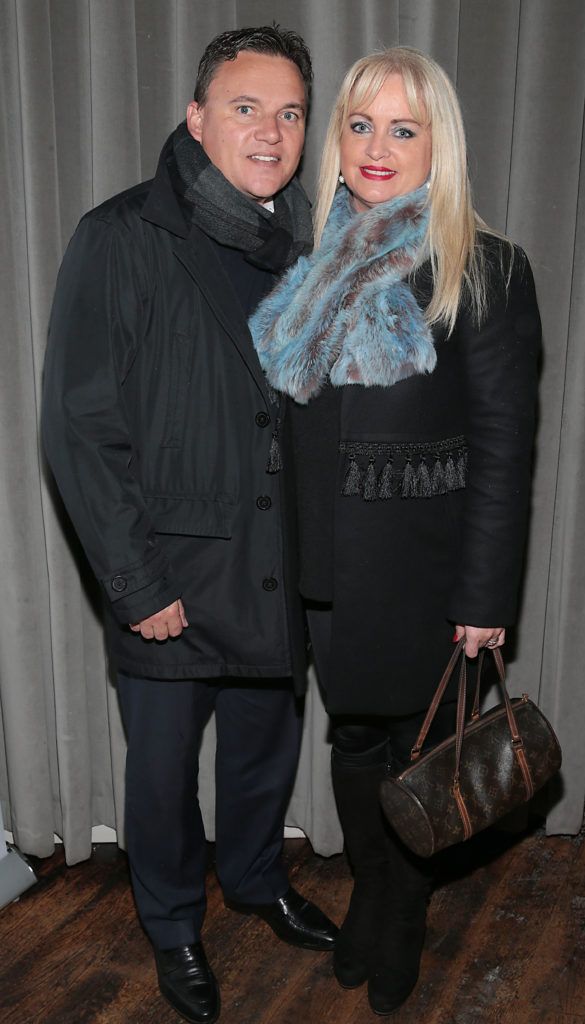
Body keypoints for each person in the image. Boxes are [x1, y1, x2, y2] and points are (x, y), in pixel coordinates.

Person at [42, 26, 337, 1024]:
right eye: (247, 106)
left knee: (264, 752)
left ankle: (255, 881)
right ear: (198, 117)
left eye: (290, 111)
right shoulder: (121, 234)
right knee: (162, 779)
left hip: (275, 565)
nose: (270, 129)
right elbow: (80, 427)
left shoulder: (304, 245)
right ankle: (172, 924)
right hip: (169, 581)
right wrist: (134, 583)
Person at [250, 46, 541, 1015]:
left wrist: (483, 599)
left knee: (415, 752)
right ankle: (376, 886)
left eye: (403, 128)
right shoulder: (305, 261)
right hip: (325, 569)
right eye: (361, 124)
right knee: (354, 740)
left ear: (436, 146)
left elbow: (505, 447)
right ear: (337, 138)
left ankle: (401, 906)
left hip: (424, 576)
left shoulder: (486, 268)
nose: (378, 146)